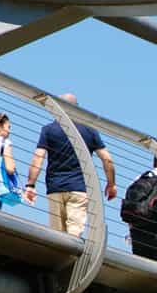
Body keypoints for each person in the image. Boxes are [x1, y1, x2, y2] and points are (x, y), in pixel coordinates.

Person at [22, 94, 115, 238]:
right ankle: (72, 259)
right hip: (80, 188)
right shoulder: (89, 130)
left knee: (56, 234)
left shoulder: (49, 130)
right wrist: (111, 184)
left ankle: (57, 259)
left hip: (55, 187)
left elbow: (38, 158)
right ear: (77, 109)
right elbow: (107, 159)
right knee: (74, 233)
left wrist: (31, 185)